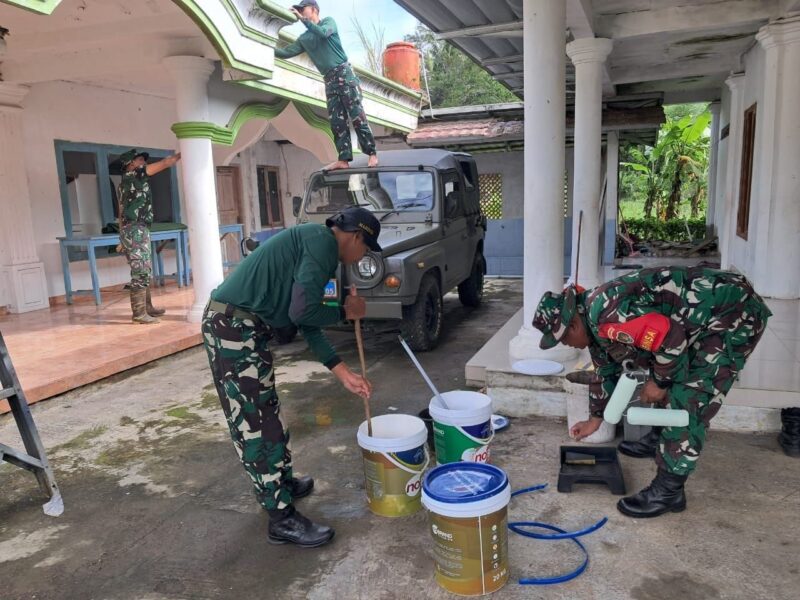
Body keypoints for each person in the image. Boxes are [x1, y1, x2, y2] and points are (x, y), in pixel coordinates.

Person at [201, 207, 381, 547]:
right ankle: (280, 518)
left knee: (269, 412)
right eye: (367, 249)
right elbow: (302, 312)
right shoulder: (322, 244)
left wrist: (342, 372)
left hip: (245, 330)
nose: (363, 257)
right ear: (356, 236)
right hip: (232, 329)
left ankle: (280, 485)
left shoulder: (319, 246)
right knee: (256, 424)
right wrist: (345, 310)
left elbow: (305, 319)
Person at [532, 266, 772, 518]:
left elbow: (672, 338)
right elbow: (605, 370)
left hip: (731, 313)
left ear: (572, 325)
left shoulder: (606, 314)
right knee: (665, 368)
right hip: (699, 318)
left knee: (690, 396)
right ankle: (660, 439)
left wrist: (659, 382)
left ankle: (669, 491)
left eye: (563, 339)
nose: (567, 344)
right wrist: (595, 419)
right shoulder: (593, 321)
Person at [275, 0, 379, 170]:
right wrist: (267, 46)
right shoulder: (305, 38)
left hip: (344, 75)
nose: (301, 12)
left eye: (304, 9)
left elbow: (323, 34)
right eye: (299, 10)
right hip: (329, 80)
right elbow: (287, 52)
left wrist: (303, 20)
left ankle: (372, 153)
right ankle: (343, 159)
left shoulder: (328, 22)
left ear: (314, 9)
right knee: (337, 121)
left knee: (356, 115)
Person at [117, 149, 181, 324]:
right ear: (129, 165)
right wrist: (182, 155)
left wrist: (121, 235)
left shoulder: (124, 184)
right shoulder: (134, 175)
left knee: (144, 268)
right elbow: (165, 164)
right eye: (138, 160)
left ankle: (147, 308)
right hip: (135, 229)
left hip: (136, 229)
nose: (143, 163)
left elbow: (120, 211)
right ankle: (139, 314)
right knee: (141, 270)